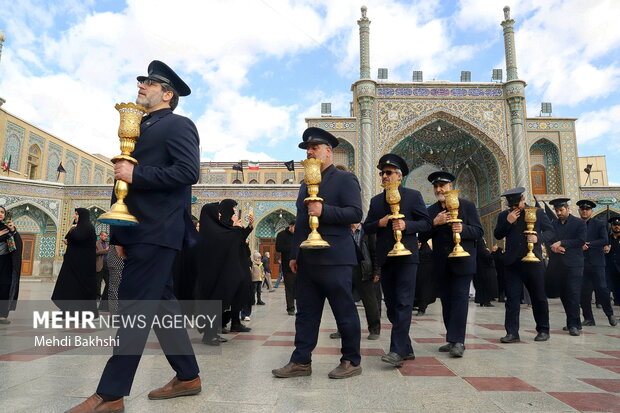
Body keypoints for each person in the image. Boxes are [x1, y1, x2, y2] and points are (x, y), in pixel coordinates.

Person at [67, 61, 201, 413]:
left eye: (150, 82)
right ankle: (188, 375)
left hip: (158, 230)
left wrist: (137, 172)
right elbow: (122, 184)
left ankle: (110, 395)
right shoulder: (139, 127)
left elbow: (189, 172)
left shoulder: (178, 125)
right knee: (160, 305)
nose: (141, 85)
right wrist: (118, 234)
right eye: (142, 80)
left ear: (167, 94)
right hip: (137, 231)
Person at [272, 127, 363, 379]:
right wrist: (294, 254)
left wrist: (325, 211)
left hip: (335, 258)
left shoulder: (345, 179)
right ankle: (301, 360)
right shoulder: (305, 185)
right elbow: (301, 221)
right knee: (306, 314)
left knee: (343, 311)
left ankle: (351, 360)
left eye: (314, 148)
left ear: (328, 152)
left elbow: (355, 214)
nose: (310, 152)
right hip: (308, 260)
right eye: (307, 149)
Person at [364, 154, 432, 367]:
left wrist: (407, 226)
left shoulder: (413, 196)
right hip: (387, 258)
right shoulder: (376, 201)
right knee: (392, 306)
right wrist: (381, 223)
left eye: (389, 172)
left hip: (407, 257)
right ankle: (407, 347)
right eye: (382, 173)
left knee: (403, 303)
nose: (384, 176)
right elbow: (366, 227)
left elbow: (426, 224)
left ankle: (396, 351)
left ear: (399, 176)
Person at [419, 171, 482, 358]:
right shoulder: (431, 212)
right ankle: (452, 338)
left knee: (460, 299)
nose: (439, 189)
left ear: (450, 187)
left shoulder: (467, 206)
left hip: (463, 262)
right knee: (446, 301)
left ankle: (458, 341)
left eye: (443, 186)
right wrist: (434, 223)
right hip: (442, 263)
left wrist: (464, 229)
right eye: (436, 186)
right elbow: (421, 236)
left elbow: (478, 232)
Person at [494, 187, 554, 343]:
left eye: (516, 205)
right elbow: (498, 234)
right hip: (512, 263)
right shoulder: (504, 216)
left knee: (538, 297)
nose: (514, 209)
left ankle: (543, 329)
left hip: (533, 262)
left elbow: (551, 232)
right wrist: (508, 222)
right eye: (511, 207)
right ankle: (512, 333)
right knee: (512, 299)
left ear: (523, 199)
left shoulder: (538, 213)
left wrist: (538, 239)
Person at [330, 223, 381, 341]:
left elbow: (375, 252)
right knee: (342, 301)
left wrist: (377, 271)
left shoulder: (368, 231)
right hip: (345, 268)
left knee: (370, 301)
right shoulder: (344, 230)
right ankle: (342, 329)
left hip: (363, 269)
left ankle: (374, 329)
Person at [546, 198, 587, 336]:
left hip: (574, 264)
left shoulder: (579, 223)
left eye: (561, 210)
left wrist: (562, 243)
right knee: (564, 294)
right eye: (556, 210)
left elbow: (580, 240)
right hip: (559, 264)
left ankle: (574, 325)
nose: (559, 213)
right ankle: (573, 321)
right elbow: (549, 239)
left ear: (568, 209)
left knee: (573, 293)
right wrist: (554, 248)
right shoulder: (553, 224)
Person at [51, 208, 99, 317]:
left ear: (83, 216)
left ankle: (81, 314)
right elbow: (70, 238)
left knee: (79, 289)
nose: (75, 216)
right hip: (72, 264)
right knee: (68, 287)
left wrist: (72, 229)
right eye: (75, 214)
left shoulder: (88, 227)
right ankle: (66, 311)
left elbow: (77, 237)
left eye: (77, 214)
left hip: (82, 266)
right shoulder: (79, 228)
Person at [577, 200, 616, 327]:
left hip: (596, 262)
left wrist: (589, 244)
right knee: (584, 292)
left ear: (591, 211)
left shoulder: (599, 224)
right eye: (582, 209)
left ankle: (609, 314)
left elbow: (604, 239)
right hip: (581, 263)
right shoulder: (576, 225)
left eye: (587, 209)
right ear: (579, 210)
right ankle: (588, 318)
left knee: (602, 289)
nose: (584, 211)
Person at [0, 207, 22, 324]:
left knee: (4, 287)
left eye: (2, 212)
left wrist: (13, 231)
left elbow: (16, 245)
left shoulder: (7, 228)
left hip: (5, 263)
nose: (0, 214)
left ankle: (2, 314)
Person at [276, 221, 296, 315]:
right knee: (289, 287)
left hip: (300, 265)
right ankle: (290, 308)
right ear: (290, 226)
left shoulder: (299, 234)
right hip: (287, 266)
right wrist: (293, 247)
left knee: (301, 287)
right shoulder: (281, 235)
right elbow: (278, 248)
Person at [413, 240, 436, 316]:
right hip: (415, 268)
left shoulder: (427, 250)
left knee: (424, 288)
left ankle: (422, 308)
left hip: (426, 267)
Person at [475, 238, 498, 308]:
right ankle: (486, 301)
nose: (485, 241)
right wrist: (493, 251)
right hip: (486, 271)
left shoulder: (478, 250)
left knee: (481, 287)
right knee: (487, 286)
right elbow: (488, 258)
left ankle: (482, 300)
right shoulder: (483, 250)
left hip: (480, 271)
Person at [606, 217, 620, 307]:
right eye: (615, 225)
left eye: (619, 225)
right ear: (611, 226)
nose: (617, 227)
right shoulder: (607, 238)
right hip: (609, 266)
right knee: (611, 286)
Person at [96, 231, 110, 310]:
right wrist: (105, 250)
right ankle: (98, 297)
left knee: (109, 282)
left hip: (106, 265)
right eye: (104, 236)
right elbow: (95, 252)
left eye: (106, 236)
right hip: (99, 265)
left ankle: (106, 298)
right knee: (98, 282)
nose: (106, 237)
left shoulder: (107, 244)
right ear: (100, 236)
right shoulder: (96, 243)